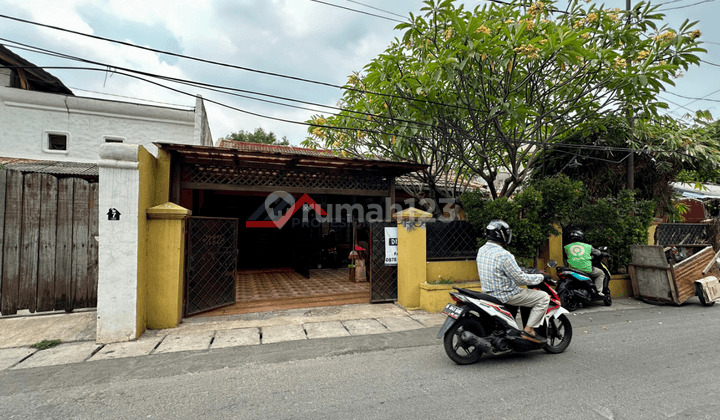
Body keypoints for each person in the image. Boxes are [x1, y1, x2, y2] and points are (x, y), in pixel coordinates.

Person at [476, 219, 551, 343]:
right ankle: (529, 330)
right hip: (506, 295)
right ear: (501, 235)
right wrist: (542, 277)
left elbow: (500, 271)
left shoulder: (482, 250)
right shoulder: (504, 255)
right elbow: (520, 278)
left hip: (488, 294)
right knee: (543, 297)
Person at [563, 229, 606, 296]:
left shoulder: (566, 247)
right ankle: (598, 292)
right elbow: (598, 253)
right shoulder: (588, 246)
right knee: (601, 273)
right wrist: (603, 253)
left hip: (572, 269)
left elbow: (565, 256)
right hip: (586, 268)